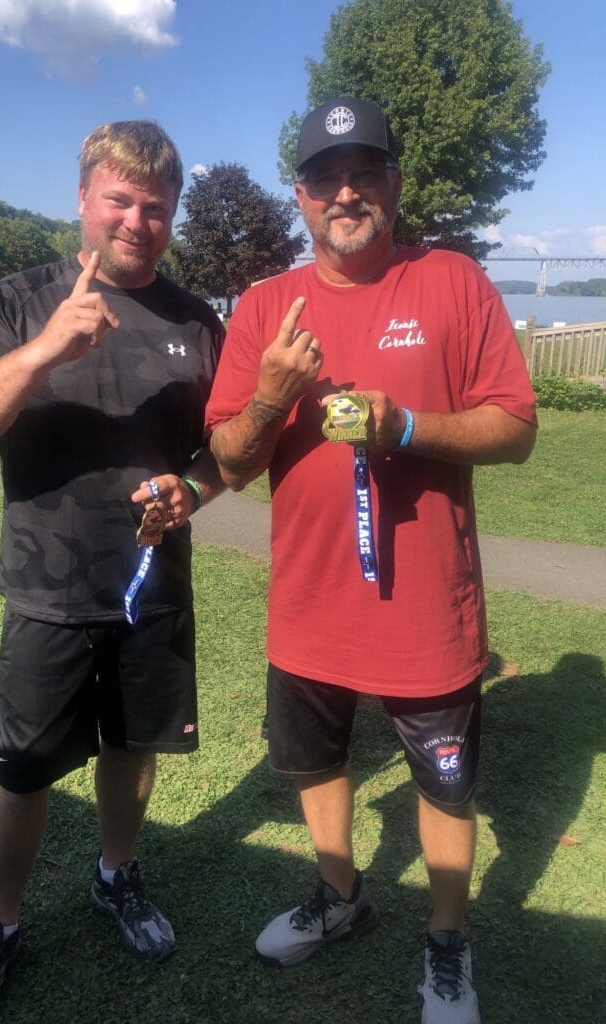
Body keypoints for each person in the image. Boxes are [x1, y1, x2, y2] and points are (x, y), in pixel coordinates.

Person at [205, 96, 537, 1024]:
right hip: (308, 605)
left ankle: (446, 948)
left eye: (363, 172)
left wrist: (409, 427)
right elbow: (230, 464)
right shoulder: (266, 306)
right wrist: (271, 396)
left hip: (426, 609)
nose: (344, 192)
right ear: (300, 197)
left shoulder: (453, 282)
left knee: (443, 784)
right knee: (317, 765)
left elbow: (515, 427)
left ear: (393, 182)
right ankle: (341, 897)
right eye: (323, 177)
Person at [0, 119, 225, 1024]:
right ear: (84, 198)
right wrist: (46, 348)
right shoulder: (18, 301)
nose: (138, 220)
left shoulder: (197, 323)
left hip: (152, 587)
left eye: (157, 208)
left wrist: (195, 494)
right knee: (22, 770)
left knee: (134, 749)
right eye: (121, 200)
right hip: (46, 588)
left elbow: (225, 456)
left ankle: (115, 876)